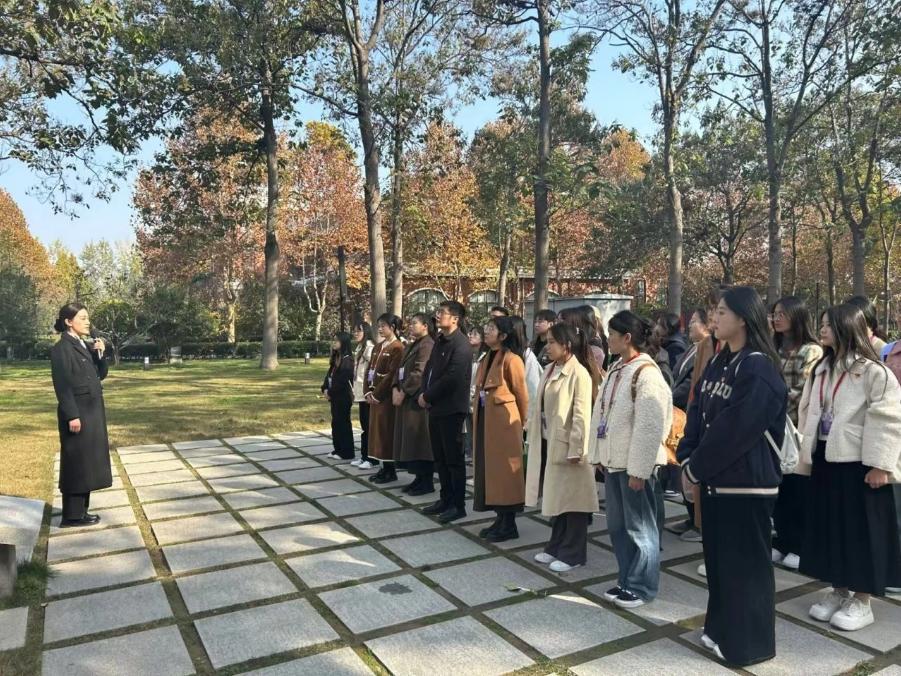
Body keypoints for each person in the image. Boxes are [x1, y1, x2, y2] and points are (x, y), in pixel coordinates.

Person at [680, 286, 788, 666]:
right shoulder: (720, 361)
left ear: (743, 318)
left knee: (746, 568)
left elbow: (735, 430)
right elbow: (697, 412)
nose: (715, 318)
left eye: (723, 312)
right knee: (720, 563)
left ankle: (749, 644)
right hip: (716, 482)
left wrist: (696, 467)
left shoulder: (758, 367)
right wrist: (687, 456)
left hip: (747, 485)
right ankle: (721, 627)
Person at [798, 304, 901, 631]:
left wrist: (881, 465)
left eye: (829, 324)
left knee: (862, 532)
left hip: (860, 463)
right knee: (831, 527)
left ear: (847, 327)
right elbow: (808, 410)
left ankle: (863, 599)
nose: (823, 329)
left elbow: (888, 419)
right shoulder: (822, 368)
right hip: (826, 457)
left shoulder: (874, 372)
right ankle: (839, 589)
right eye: (822, 323)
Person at [589, 311, 672, 608]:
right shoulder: (616, 368)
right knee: (618, 526)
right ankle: (626, 579)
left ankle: (642, 586)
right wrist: (598, 452)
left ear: (627, 338)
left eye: (612, 334)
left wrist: (639, 470)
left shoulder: (647, 373)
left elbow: (650, 427)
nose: (608, 339)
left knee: (640, 528)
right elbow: (601, 412)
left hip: (634, 465)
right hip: (614, 461)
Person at [525, 323, 598, 572]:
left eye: (552, 342)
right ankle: (556, 546)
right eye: (547, 341)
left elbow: (581, 415)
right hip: (550, 441)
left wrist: (577, 448)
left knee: (574, 503)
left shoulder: (579, 374)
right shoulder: (550, 369)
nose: (547, 347)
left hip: (570, 448)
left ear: (566, 345)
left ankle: (573, 553)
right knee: (558, 499)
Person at [770, 296, 822, 570]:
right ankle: (782, 540)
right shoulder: (773, 348)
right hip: (773, 430)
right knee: (779, 489)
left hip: (797, 429)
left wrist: (770, 399)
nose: (777, 318)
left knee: (798, 489)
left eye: (783, 313)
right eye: (775, 313)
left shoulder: (811, 351)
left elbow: (805, 392)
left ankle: (799, 544)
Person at [50, 303, 112, 527]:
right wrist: (72, 415)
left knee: (86, 461)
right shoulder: (61, 349)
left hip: (91, 411)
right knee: (76, 462)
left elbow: (100, 375)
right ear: (69, 322)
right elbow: (62, 385)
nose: (88, 322)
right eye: (83, 318)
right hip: (77, 412)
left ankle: (81, 512)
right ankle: (72, 516)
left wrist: (100, 354)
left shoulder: (83, 345)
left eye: (88, 318)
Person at [472, 316, 529, 541]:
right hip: (487, 423)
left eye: (491, 328)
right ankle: (500, 518)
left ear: (503, 336)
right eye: (486, 327)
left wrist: (522, 423)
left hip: (505, 426)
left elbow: (521, 394)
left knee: (505, 474)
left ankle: (509, 523)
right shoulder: (487, 357)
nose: (486, 331)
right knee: (491, 472)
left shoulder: (512, 360)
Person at [419, 300, 473, 523]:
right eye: (438, 311)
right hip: (435, 407)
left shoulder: (461, 345)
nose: (437, 315)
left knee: (453, 460)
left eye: (442, 312)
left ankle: (457, 505)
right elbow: (429, 370)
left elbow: (452, 378)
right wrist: (424, 392)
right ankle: (445, 498)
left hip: (451, 409)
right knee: (440, 458)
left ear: (455, 319)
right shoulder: (440, 340)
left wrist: (428, 396)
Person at [392, 313, 436, 495]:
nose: (411, 326)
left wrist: (403, 391)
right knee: (411, 442)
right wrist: (395, 387)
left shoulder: (427, 344)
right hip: (407, 399)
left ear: (425, 326)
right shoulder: (413, 344)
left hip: (417, 400)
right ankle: (418, 478)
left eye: (415, 323)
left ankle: (426, 481)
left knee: (420, 442)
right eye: (410, 323)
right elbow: (400, 369)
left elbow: (420, 372)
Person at [365, 314, 405, 484]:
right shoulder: (378, 346)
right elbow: (369, 370)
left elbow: (391, 375)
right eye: (379, 326)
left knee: (386, 431)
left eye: (383, 326)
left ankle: (390, 469)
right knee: (377, 433)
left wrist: (377, 394)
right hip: (374, 397)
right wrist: (367, 392)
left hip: (386, 398)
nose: (380, 329)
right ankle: (382, 466)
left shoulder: (398, 348)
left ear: (393, 328)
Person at [556, 307, 604, 399]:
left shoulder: (593, 350)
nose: (557, 327)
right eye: (557, 321)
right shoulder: (563, 349)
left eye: (561, 322)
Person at [322, 332, 356, 460]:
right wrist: (325, 388)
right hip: (334, 396)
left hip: (343, 396)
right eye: (334, 340)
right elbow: (329, 375)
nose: (334, 342)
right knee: (335, 423)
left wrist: (330, 392)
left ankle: (347, 452)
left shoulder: (348, 360)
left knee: (343, 423)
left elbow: (343, 380)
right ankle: (338, 449)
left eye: (337, 340)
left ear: (343, 342)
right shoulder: (336, 357)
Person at [350, 322, 377, 470]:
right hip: (360, 392)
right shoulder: (360, 347)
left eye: (358, 331)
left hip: (367, 392)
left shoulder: (370, 347)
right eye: (354, 331)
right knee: (364, 427)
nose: (355, 334)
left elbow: (372, 370)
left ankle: (372, 459)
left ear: (366, 331)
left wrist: (370, 390)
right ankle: (364, 456)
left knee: (369, 427)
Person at [671, 308, 709, 411]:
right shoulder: (692, 347)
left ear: (705, 325)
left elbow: (690, 383)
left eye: (693, 322)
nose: (689, 326)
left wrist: (669, 398)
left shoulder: (707, 350)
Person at [463, 325, 489, 466]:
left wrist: (476, 397)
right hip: (467, 399)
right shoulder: (469, 355)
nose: (470, 336)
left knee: (478, 431)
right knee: (470, 432)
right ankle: (473, 457)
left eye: (474, 334)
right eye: (470, 333)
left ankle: (479, 460)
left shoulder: (485, 357)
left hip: (478, 399)